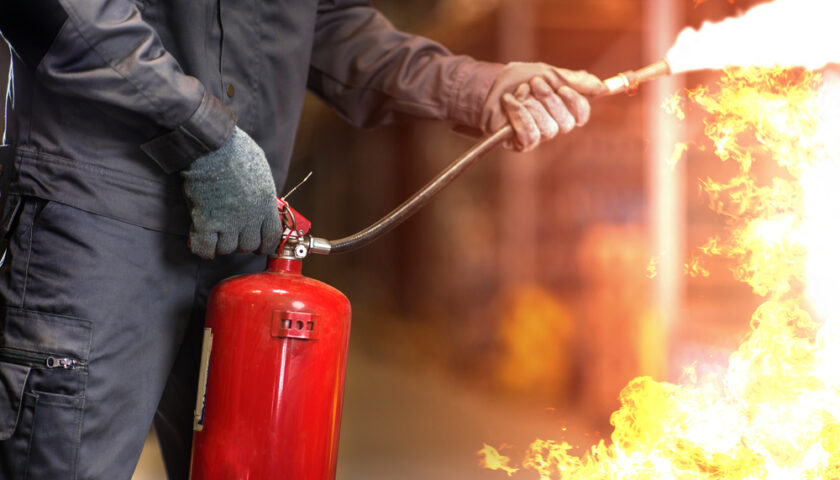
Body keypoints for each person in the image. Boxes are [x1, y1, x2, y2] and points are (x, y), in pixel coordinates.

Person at [0, 1, 605, 478]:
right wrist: (199, 133)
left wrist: (479, 87)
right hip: (98, 219)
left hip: (242, 235)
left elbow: (331, 23)